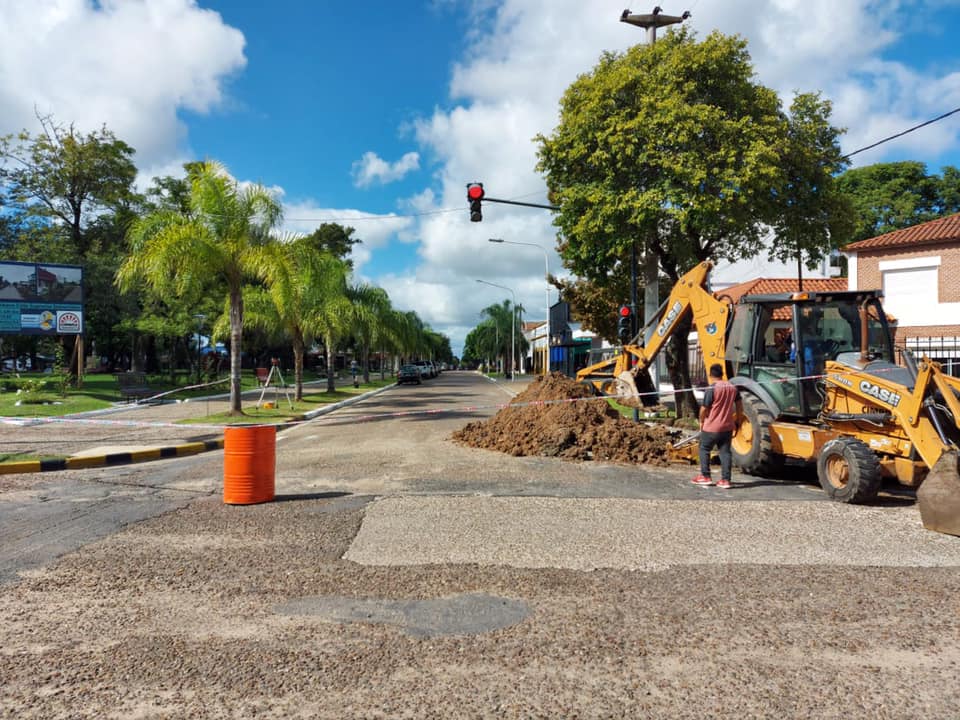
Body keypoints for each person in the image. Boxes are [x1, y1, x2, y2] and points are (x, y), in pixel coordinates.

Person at [691, 363, 741, 490]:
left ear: (710, 375)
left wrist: (701, 420)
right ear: (722, 374)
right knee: (725, 452)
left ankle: (705, 476)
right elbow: (740, 407)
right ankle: (725, 480)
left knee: (704, 448)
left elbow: (704, 408)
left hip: (712, 426)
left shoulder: (712, 388)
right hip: (727, 427)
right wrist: (737, 421)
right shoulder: (733, 388)